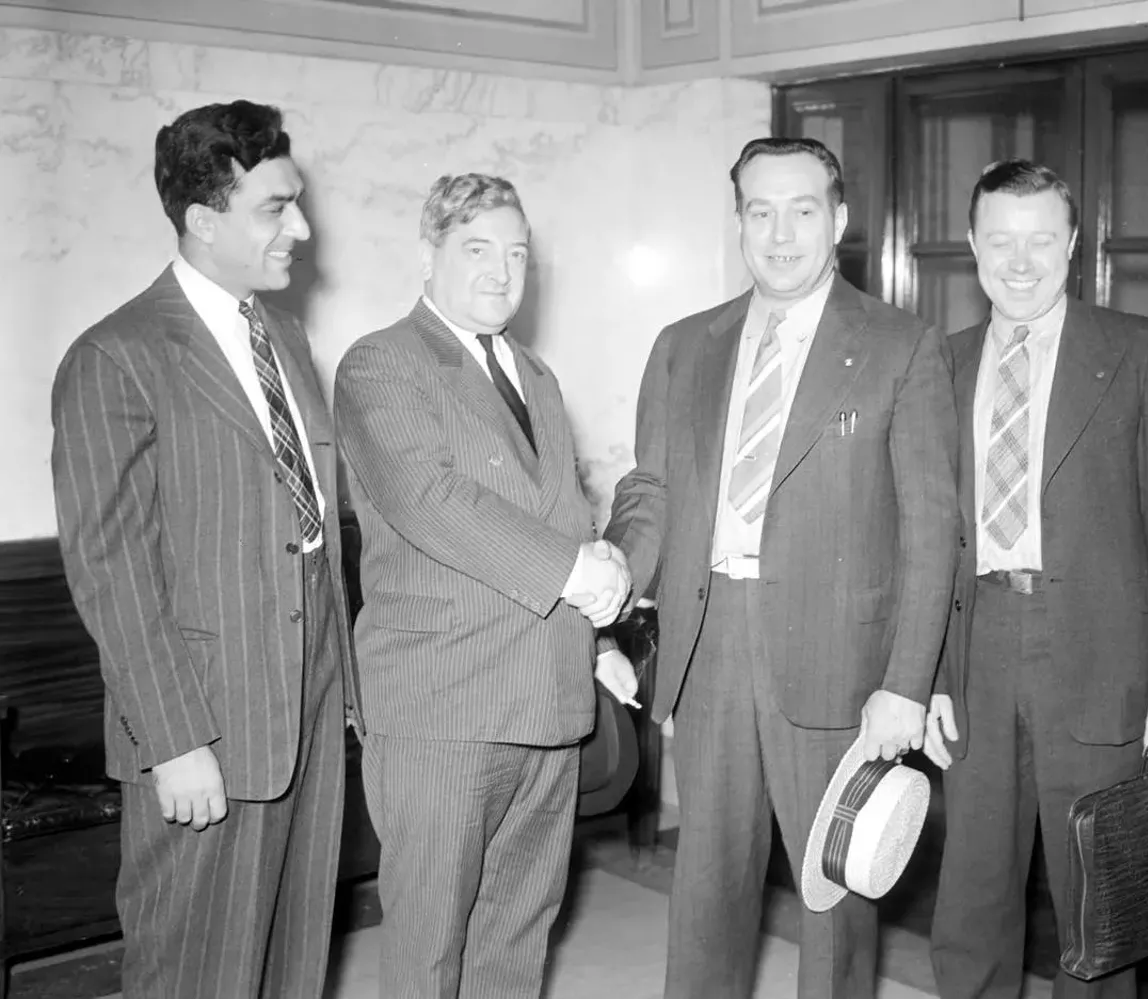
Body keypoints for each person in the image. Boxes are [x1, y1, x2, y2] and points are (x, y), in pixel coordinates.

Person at [604, 136, 960, 999]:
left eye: (803, 209)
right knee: (707, 887)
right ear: (738, 223)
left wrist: (907, 684)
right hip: (710, 641)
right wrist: (609, 594)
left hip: (842, 654)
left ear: (838, 218)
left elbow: (931, 528)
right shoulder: (684, 344)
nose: (781, 231)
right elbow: (651, 490)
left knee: (834, 887)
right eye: (759, 211)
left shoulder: (900, 345)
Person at [50, 100, 363, 998]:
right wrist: (175, 739)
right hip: (207, 724)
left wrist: (339, 684)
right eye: (275, 208)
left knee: (293, 959)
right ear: (203, 219)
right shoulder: (116, 355)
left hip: (306, 705)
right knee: (196, 971)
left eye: (296, 202)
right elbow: (111, 571)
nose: (301, 228)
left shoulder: (284, 337)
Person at [332, 172, 631, 999]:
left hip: (546, 695)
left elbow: (560, 514)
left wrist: (598, 638)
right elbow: (431, 499)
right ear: (427, 253)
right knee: (430, 947)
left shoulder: (535, 374)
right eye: (476, 250)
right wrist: (578, 575)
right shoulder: (382, 364)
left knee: (516, 934)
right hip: (443, 706)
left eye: (517, 254)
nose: (501, 272)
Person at [925, 159, 1148, 999]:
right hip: (975, 649)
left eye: (1041, 239)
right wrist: (928, 677)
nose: (1021, 261)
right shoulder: (939, 364)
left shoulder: (1138, 349)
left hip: (1100, 657)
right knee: (970, 896)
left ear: (1074, 243)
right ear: (973, 246)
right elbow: (928, 537)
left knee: (1095, 900)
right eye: (1001, 241)